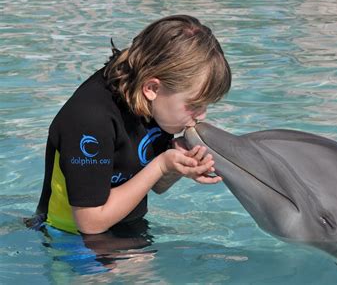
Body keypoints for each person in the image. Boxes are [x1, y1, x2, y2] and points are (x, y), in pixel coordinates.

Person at [28, 15, 232, 237]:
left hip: (125, 228)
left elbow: (155, 185)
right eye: (194, 105)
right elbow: (90, 222)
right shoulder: (90, 120)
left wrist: (177, 167)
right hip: (69, 239)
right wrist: (161, 165)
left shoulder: (155, 103)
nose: (201, 115)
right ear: (152, 87)